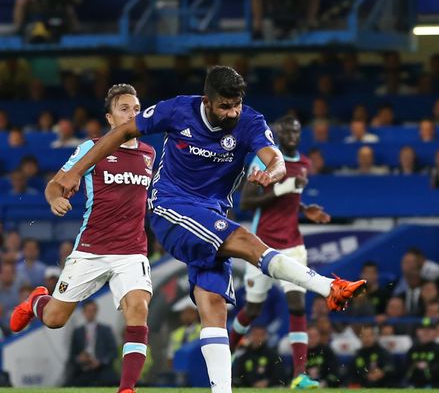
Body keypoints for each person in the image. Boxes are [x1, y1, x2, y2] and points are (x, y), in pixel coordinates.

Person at [52, 66, 365, 393]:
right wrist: (76, 171)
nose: (233, 112)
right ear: (207, 100)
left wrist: (273, 173)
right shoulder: (177, 109)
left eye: (237, 105)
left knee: (213, 304)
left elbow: (276, 160)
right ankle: (329, 287)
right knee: (243, 239)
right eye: (225, 106)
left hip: (211, 214)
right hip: (171, 208)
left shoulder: (250, 122)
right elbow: (121, 133)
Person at [10, 84, 155, 393]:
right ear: (110, 118)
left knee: (139, 309)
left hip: (132, 251)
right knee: (54, 319)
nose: (133, 114)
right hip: (92, 249)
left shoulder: (149, 153)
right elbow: (55, 184)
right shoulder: (92, 148)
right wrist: (53, 200)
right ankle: (37, 301)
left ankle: (127, 388)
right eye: (124, 109)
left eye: (137, 109)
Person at [229, 115, 331, 389]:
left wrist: (304, 208)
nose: (292, 136)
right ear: (277, 134)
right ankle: (223, 358)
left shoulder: (304, 164)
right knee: (251, 310)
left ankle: (300, 374)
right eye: (287, 131)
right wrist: (283, 188)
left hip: (293, 244)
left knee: (297, 304)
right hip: (261, 245)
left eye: (296, 131)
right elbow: (248, 201)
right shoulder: (263, 161)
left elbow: (291, 200)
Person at [65, 300, 118, 387]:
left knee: (109, 378)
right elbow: (72, 355)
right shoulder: (77, 332)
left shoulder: (106, 330)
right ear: (83, 312)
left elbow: (113, 352)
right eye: (88, 310)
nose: (90, 313)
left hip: (102, 370)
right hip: (83, 370)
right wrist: (79, 358)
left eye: (93, 310)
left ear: (96, 311)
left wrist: (100, 362)